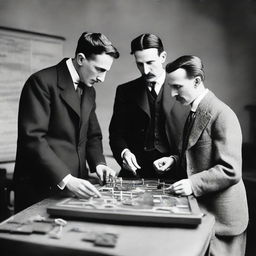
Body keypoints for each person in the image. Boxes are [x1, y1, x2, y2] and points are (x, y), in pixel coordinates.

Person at [13, 32, 119, 212]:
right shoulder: (41, 82)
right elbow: (33, 140)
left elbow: (92, 135)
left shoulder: (89, 89)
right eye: (100, 69)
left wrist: (99, 164)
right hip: (40, 188)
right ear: (80, 59)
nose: (102, 78)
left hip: (75, 188)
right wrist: (67, 179)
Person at [155, 55, 248, 255]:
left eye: (177, 87)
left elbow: (230, 170)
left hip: (223, 219)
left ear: (197, 81)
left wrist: (192, 184)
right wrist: (173, 160)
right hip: (204, 213)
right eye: (170, 87)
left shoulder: (222, 114)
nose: (172, 93)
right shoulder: (194, 111)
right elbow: (195, 153)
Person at [109, 33, 188, 179]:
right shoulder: (125, 91)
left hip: (176, 175)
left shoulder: (184, 89)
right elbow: (116, 134)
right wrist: (124, 152)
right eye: (140, 64)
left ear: (163, 57)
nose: (145, 70)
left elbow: (193, 138)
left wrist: (174, 160)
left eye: (150, 62)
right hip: (135, 174)